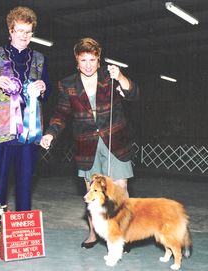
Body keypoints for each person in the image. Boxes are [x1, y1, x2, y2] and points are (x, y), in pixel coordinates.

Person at [40, 37, 139, 248]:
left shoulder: (110, 77)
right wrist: (50, 134)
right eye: (83, 60)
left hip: (115, 141)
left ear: (99, 60)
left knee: (120, 189)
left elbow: (133, 94)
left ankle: (123, 234)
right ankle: (93, 234)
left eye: (92, 60)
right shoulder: (67, 85)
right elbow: (61, 113)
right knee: (92, 194)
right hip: (86, 146)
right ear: (76, 60)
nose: (88, 65)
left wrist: (121, 76)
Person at [0, 6, 50, 211]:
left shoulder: (40, 58)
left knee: (25, 185)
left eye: (29, 32)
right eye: (20, 31)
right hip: (0, 130)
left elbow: (49, 88)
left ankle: (22, 231)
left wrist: (44, 87)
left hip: (29, 133)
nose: (24, 36)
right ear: (10, 31)